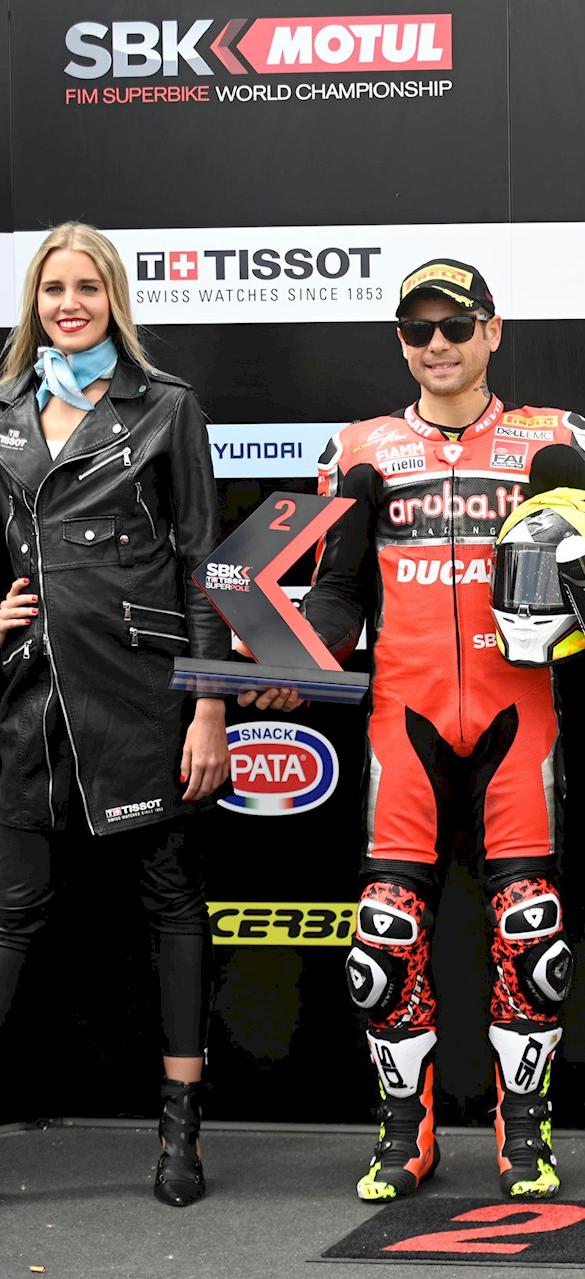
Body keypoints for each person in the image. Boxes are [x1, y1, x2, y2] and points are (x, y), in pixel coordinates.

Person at [241, 259, 585, 1202]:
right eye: (418, 332)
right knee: (381, 940)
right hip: (402, 718)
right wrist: (299, 660)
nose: (439, 347)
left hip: (517, 714)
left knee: (532, 931)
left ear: (493, 331)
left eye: (457, 327)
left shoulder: (550, 436)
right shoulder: (363, 448)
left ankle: (525, 1129)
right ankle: (400, 1132)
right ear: (402, 344)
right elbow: (335, 591)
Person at [0, 223, 230, 1207]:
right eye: (54, 287)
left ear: (114, 299)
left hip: (140, 694)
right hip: (27, 694)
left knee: (170, 905)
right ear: (34, 301)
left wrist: (209, 705)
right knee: (10, 914)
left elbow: (204, 568)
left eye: (87, 286)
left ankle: (181, 1133)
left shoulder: (164, 405)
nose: (69, 303)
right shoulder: (4, 408)